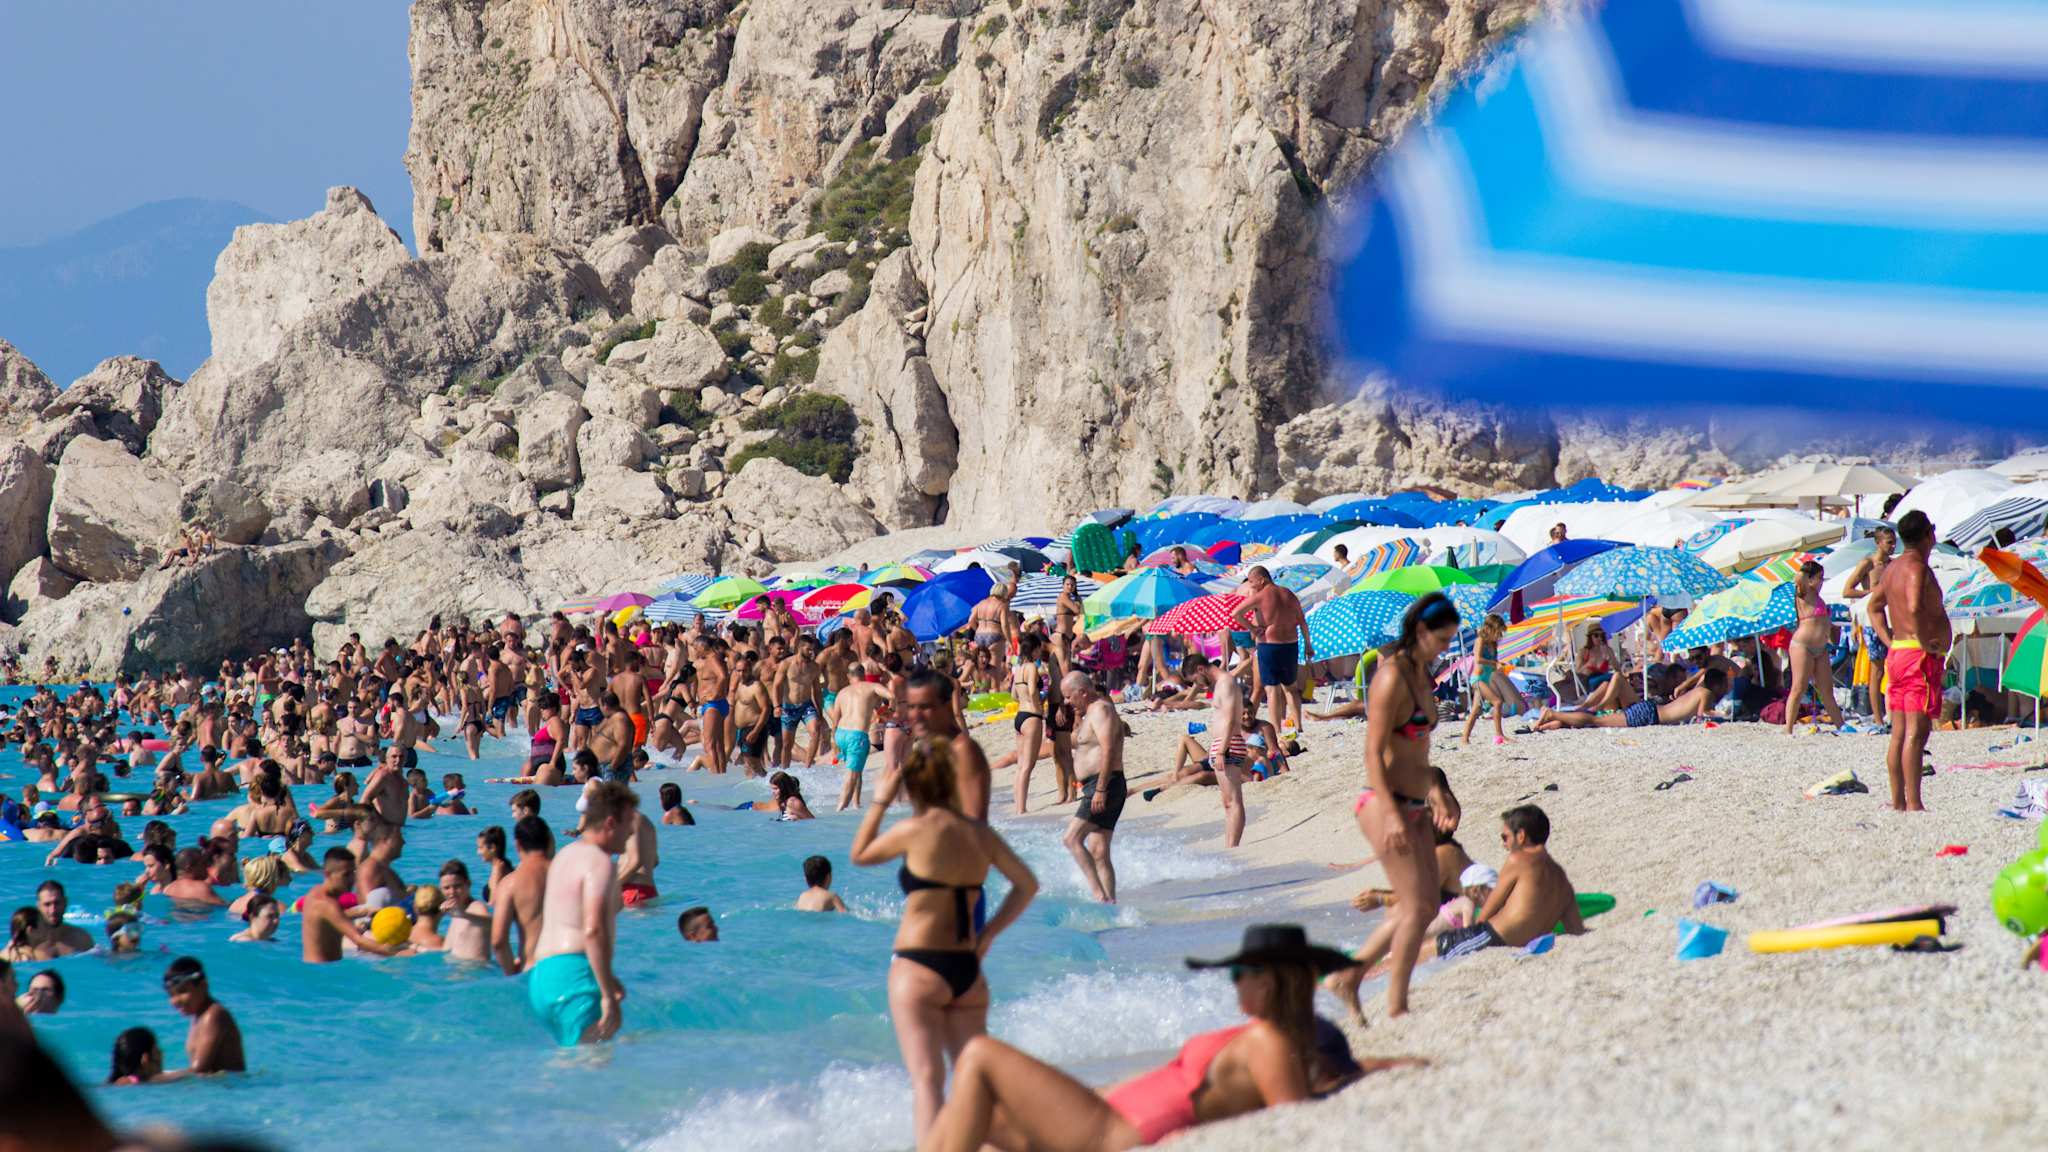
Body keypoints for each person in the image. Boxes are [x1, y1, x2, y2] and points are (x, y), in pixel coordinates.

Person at [922, 924, 1408, 1152]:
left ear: (1272, 980)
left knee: (979, 1057)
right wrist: (1376, 1068)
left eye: (1241, 972)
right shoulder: (1262, 1039)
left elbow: (1293, 1119)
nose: (1234, 982)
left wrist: (1355, 1077)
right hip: (1102, 1114)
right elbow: (1329, 1074)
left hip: (1110, 1132)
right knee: (976, 1121)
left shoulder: (1269, 1043)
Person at [851, 735, 1039, 1140]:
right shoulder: (979, 834)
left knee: (927, 1079)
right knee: (975, 1078)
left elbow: (860, 854)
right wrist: (988, 935)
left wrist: (881, 800)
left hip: (918, 965)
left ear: (915, 786)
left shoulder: (913, 830)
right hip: (967, 970)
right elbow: (1026, 885)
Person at [1331, 806, 1584, 1018]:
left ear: (1521, 837)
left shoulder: (1519, 860)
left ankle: (1348, 979)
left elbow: (1493, 905)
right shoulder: (1563, 880)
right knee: (1416, 953)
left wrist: (1475, 927)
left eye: (1505, 837)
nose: (1504, 844)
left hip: (1490, 936)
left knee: (1411, 956)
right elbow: (1576, 930)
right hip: (1504, 939)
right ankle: (1355, 976)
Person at [1350, 592, 1462, 1021]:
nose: (1447, 648)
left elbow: (1418, 751)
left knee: (1425, 905)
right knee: (1416, 907)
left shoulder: (1419, 674)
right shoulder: (1391, 677)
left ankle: (1352, 976)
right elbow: (1373, 753)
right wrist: (1393, 813)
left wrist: (1437, 792)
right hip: (1383, 803)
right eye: (1443, 640)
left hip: (1415, 801)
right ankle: (1396, 1005)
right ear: (1420, 631)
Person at [527, 781, 636, 1047]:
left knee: (571, 1062)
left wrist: (607, 978)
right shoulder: (599, 863)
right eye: (628, 824)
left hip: (543, 977)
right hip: (574, 973)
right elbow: (593, 929)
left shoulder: (566, 855)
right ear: (610, 823)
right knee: (591, 1064)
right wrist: (607, 994)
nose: (631, 832)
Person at [1867, 510, 1948, 813]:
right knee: (1917, 731)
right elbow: (1914, 606)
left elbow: (1874, 608)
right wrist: (1927, 642)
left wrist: (1890, 640)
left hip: (1900, 651)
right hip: (1917, 655)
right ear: (1929, 534)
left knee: (1899, 730)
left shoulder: (1891, 569)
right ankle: (1913, 803)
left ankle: (1899, 801)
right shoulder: (1917, 568)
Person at [1061, 673, 1127, 902]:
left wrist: (1100, 789)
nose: (1067, 702)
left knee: (1071, 839)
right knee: (1099, 851)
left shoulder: (1100, 710)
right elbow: (1085, 745)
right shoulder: (1089, 713)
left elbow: (1108, 749)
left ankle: (1100, 896)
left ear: (1083, 692)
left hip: (1105, 784)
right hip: (1098, 784)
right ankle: (1111, 904)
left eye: (1069, 697)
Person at [1228, 566, 1312, 734]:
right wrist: (1308, 645)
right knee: (1291, 687)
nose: (1251, 586)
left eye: (1252, 582)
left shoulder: (1260, 596)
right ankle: (1298, 726)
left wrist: (1252, 628)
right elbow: (1302, 621)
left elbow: (1236, 613)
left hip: (1269, 645)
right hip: (1290, 644)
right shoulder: (1288, 593)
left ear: (1262, 579)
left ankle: (1275, 729)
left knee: (1272, 689)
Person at [1533, 669, 1728, 730]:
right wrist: (1723, 714)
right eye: (1725, 683)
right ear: (1717, 684)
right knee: (1595, 721)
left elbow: (1706, 674)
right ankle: (1553, 713)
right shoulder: (1706, 693)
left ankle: (1552, 723)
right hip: (1649, 716)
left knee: (1595, 722)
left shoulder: (1699, 689)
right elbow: (1704, 715)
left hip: (1650, 710)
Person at [300, 847, 399, 963]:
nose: (352, 879)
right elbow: (359, 941)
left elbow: (331, 919)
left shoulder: (315, 893)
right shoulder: (327, 904)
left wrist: (362, 912)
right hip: (325, 974)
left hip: (318, 970)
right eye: (346, 875)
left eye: (353, 873)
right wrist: (400, 953)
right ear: (327, 874)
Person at [1782, 560, 1844, 733]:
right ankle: (1788, 728)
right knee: (1798, 687)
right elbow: (1798, 577)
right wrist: (1807, 575)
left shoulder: (1819, 598)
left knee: (1827, 691)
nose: (1822, 582)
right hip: (1803, 646)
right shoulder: (1803, 593)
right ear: (1810, 579)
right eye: (1819, 578)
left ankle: (1841, 725)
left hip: (1821, 648)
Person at [1843, 526, 1896, 726]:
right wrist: (1873, 593)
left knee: (1892, 667)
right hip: (1871, 621)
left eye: (1894, 542)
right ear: (1878, 543)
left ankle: (1891, 713)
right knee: (1877, 669)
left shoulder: (1893, 565)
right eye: (1889, 542)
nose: (1892, 546)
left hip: (1890, 620)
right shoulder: (1868, 564)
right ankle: (1877, 717)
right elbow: (1847, 591)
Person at [162, 957, 245, 1074]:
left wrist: (148, 1080)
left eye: (182, 992)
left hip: (231, 1089)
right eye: (171, 995)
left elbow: (199, 1070)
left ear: (203, 986)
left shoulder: (214, 1015)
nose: (175, 1001)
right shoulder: (198, 1015)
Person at [493, 815, 553, 975]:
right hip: (569, 966)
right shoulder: (567, 873)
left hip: (533, 969)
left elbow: (498, 941)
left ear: (518, 844)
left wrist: (511, 972)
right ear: (549, 841)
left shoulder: (510, 883)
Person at [827, 662, 886, 811]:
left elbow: (834, 722)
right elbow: (891, 695)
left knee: (857, 769)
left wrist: (835, 745)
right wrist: (887, 710)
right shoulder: (871, 686)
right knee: (852, 774)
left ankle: (856, 803)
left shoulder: (842, 692)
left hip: (841, 734)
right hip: (857, 736)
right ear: (864, 674)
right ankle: (839, 809)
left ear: (848, 676)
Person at [1460, 614, 1523, 746]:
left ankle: (1464, 738)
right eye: (1498, 631)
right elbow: (1477, 659)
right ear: (1489, 628)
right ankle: (1499, 735)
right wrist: (1495, 664)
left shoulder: (1493, 644)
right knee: (1497, 702)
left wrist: (1499, 666)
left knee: (1476, 709)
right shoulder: (1480, 640)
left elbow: (1494, 661)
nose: (1499, 635)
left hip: (1487, 679)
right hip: (1477, 678)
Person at [437, 861, 492, 963]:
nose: (452, 892)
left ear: (468, 884)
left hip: (477, 972)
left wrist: (463, 914)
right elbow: (446, 950)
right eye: (446, 888)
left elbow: (490, 922)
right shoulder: (455, 913)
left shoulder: (475, 907)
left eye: (457, 886)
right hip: (456, 971)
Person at [32, 882, 92, 956]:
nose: (53, 910)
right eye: (47, 904)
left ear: (65, 902)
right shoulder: (27, 943)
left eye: (57, 903)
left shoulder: (81, 938)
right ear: (38, 906)